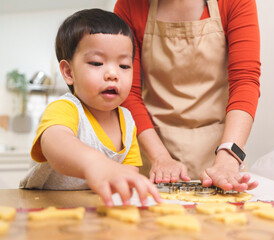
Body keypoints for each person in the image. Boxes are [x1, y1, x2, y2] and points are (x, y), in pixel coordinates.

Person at [20, 8, 162, 207]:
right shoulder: (66, 108)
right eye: (97, 63)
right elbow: (54, 143)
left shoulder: (128, 122)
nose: (113, 73)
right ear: (69, 72)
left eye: (124, 66)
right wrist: (94, 163)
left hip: (94, 212)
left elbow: (128, 173)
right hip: (47, 209)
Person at [114, 0, 260, 192]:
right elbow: (127, 93)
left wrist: (229, 156)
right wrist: (160, 158)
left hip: (222, 158)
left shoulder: (234, 2)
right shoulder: (130, 5)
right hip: (154, 157)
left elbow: (245, 81)